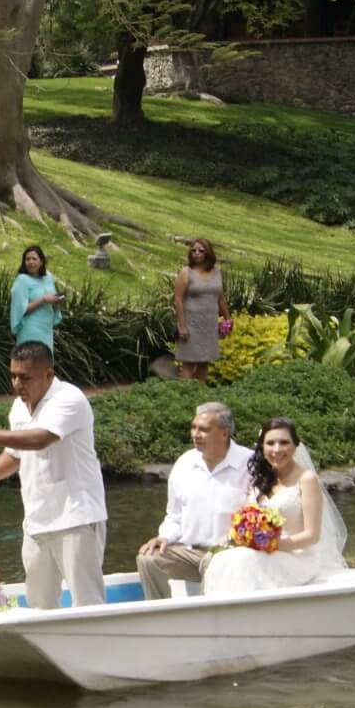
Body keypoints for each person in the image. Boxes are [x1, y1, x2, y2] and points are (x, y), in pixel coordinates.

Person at [0, 341, 108, 610]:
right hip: (36, 522)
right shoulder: (19, 407)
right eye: (13, 376)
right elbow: (16, 454)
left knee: (87, 603)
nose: (17, 384)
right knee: (39, 605)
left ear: (48, 375)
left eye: (25, 377)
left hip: (76, 518)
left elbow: (40, 439)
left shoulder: (69, 399)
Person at [202, 417, 348, 596]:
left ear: (295, 445)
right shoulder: (259, 480)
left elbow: (312, 536)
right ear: (262, 447)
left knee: (243, 559)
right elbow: (245, 517)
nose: (277, 449)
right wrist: (238, 536)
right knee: (222, 558)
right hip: (262, 551)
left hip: (297, 556)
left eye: (284, 443)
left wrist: (272, 544)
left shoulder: (307, 479)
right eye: (270, 443)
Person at [135, 400, 253, 601]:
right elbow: (174, 515)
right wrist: (164, 537)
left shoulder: (249, 463)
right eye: (194, 427)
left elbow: (258, 515)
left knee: (214, 564)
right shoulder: (185, 462)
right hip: (188, 552)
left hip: (230, 555)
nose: (195, 434)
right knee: (148, 559)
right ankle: (161, 613)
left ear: (224, 433)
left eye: (204, 430)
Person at [173, 238, 230, 381]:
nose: (196, 253)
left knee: (204, 362)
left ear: (208, 253)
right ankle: (184, 392)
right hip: (191, 325)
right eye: (193, 250)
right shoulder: (186, 272)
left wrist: (228, 318)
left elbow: (220, 297)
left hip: (209, 325)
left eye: (201, 250)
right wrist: (182, 326)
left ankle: (200, 392)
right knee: (188, 362)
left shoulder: (217, 273)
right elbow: (178, 299)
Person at [9, 244, 64, 354]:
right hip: (30, 330)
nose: (30, 262)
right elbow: (21, 310)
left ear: (41, 261)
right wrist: (42, 300)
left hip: (46, 330)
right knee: (31, 361)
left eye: (34, 259)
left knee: (46, 362)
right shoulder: (22, 280)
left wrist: (56, 301)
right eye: (27, 259)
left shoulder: (48, 279)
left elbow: (52, 304)